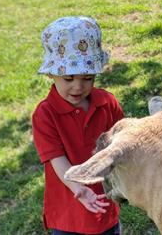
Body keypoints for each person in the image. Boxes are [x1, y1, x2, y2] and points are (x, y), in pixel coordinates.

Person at [32, 16, 124, 235]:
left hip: (104, 203)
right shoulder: (45, 114)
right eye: (69, 78)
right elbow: (56, 159)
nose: (78, 86)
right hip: (68, 212)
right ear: (51, 73)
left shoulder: (107, 102)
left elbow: (120, 141)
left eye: (88, 77)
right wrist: (78, 187)